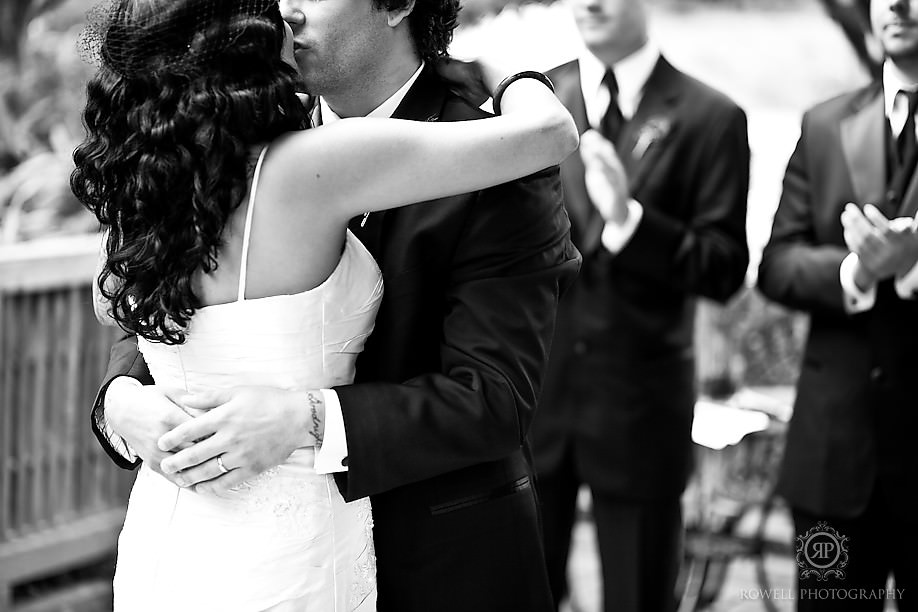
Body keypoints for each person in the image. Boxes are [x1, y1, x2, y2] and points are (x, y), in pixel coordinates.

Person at [81, 0, 582, 610]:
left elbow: (495, 397)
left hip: (436, 567)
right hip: (227, 550)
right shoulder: (225, 141)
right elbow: (166, 310)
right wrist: (120, 402)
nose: (286, 8)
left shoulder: (487, 151)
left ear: (399, 5)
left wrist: (312, 420)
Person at [528, 0, 750, 610]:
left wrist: (630, 223)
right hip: (536, 400)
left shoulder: (712, 116)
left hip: (641, 408)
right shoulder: (534, 99)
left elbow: (725, 266)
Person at [758, 0, 918, 608]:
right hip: (832, 458)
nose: (897, 4)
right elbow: (777, 265)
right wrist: (859, 269)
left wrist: (912, 269)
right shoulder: (823, 124)